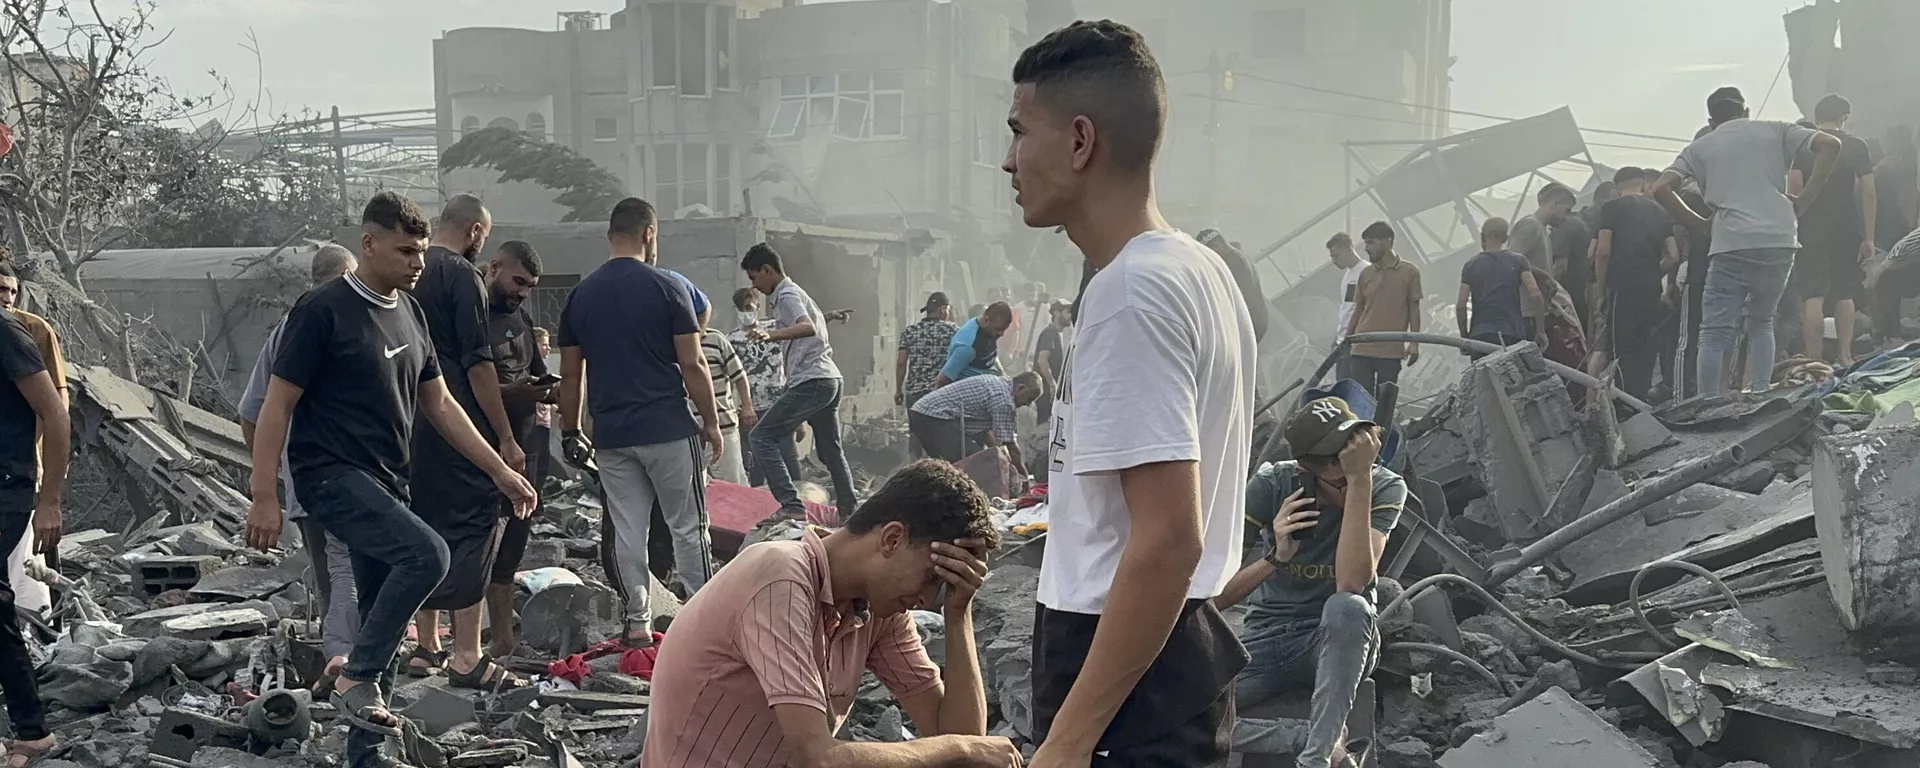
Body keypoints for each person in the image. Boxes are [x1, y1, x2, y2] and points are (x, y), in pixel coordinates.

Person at [1004, 20, 1256, 766]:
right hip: (1169, 662)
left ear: (1080, 142)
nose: (1008, 160)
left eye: (1021, 132)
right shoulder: (1198, 270)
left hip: (1122, 676)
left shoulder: (1132, 292)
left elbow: (1171, 537)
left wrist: (1070, 739)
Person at [243, 193, 536, 768]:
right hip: (329, 476)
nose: (417, 262)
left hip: (388, 479)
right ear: (368, 244)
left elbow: (443, 404)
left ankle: (366, 753)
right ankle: (355, 677)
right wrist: (264, 494)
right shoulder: (322, 310)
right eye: (405, 250)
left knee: (387, 615)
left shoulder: (411, 312)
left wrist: (501, 469)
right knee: (429, 555)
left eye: (422, 250)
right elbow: (274, 406)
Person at [641, 460, 1019, 768]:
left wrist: (959, 612)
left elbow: (959, 738)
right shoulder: (780, 577)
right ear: (891, 539)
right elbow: (817, 758)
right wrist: (960, 749)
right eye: (931, 578)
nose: (926, 600)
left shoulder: (878, 609)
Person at [558, 197, 723, 647]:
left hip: (612, 436)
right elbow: (693, 364)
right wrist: (710, 421)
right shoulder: (667, 288)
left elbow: (572, 373)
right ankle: (704, 622)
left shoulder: (580, 295)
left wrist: (570, 430)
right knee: (689, 526)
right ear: (649, 233)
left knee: (630, 530)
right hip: (668, 429)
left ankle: (637, 623)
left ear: (610, 235)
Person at [1216, 398, 1402, 767]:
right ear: (1306, 471)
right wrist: (1275, 557)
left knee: (1348, 607)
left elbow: (1351, 583)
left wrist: (1360, 481)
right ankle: (1306, 739)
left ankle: (1315, 760)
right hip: (1265, 639)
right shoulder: (1272, 485)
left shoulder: (1381, 486)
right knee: (1171, 709)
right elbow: (1213, 598)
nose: (1347, 487)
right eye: (1339, 479)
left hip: (1335, 641)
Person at [402, 194, 527, 687]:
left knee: (423, 521)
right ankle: (468, 653)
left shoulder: (408, 271)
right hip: (457, 422)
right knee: (476, 526)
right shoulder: (462, 276)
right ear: (476, 231)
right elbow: (478, 365)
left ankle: (427, 645)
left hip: (408, 422)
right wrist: (502, 438)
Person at [1652, 86, 1842, 396]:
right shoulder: (1776, 129)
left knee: (1713, 331)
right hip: (1779, 238)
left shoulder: (1699, 147)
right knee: (1762, 321)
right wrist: (1805, 200)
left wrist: (1699, 224)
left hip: (1731, 242)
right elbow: (1830, 144)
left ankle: (1708, 402)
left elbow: (1661, 187)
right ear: (1746, 112)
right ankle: (1759, 392)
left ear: (1712, 120)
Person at [238, 244, 360, 684]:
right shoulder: (339, 321)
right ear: (348, 275)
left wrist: (275, 477)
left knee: (335, 579)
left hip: (313, 482)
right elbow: (257, 412)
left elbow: (251, 415)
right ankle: (347, 667)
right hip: (344, 479)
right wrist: (269, 486)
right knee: (345, 572)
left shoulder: (292, 327)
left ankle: (347, 666)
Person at [742, 242, 860, 519]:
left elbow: (806, 327)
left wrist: (771, 336)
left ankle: (792, 506)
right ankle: (849, 509)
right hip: (829, 378)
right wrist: (828, 316)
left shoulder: (786, 294)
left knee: (761, 437)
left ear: (768, 270)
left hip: (813, 380)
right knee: (831, 451)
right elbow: (813, 323)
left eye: (754, 277)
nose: (755, 285)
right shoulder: (795, 293)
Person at [0, 272, 65, 766]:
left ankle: (32, 730)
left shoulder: (9, 334)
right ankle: (30, 730)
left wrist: (50, 501)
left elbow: (56, 415)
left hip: (6, 487)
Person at [480, 241, 551, 660]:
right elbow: (468, 388)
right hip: (487, 451)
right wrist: (513, 392)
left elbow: (539, 374)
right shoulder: (473, 317)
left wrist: (549, 390)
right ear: (495, 268)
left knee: (513, 545)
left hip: (528, 449)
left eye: (530, 286)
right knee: (480, 545)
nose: (522, 292)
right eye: (518, 281)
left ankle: (503, 638)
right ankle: (465, 643)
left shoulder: (520, 318)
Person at [1788, 95, 1877, 365]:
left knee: (1812, 294)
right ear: (1844, 117)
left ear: (1817, 117)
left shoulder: (1803, 145)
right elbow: (1869, 191)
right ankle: (1846, 356)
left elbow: (1793, 190)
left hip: (1809, 229)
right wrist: (1869, 236)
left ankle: (1814, 358)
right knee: (1845, 292)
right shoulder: (1857, 146)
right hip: (1846, 228)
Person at [1596, 167, 1681, 401]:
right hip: (1650, 288)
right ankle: (1640, 400)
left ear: (1616, 187)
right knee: (1644, 346)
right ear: (1643, 185)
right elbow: (1673, 255)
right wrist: (1653, 273)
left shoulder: (1611, 208)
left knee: (1620, 349)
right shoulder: (1660, 211)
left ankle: (1621, 404)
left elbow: (1603, 251)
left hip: (1621, 287)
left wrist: (1601, 289)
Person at [731, 288, 802, 488]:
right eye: (740, 309)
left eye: (749, 308)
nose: (745, 312)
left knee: (788, 455)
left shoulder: (774, 329)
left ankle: (801, 502)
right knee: (757, 463)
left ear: (758, 307)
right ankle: (758, 507)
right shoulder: (733, 340)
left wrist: (828, 317)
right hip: (752, 409)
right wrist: (743, 407)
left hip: (780, 404)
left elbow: (804, 327)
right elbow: (733, 377)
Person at [1345, 221, 1423, 402]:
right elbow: (1358, 309)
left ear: (1387, 242)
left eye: (1371, 242)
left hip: (1391, 350)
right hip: (1362, 348)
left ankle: (1382, 431)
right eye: (1365, 243)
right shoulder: (1365, 273)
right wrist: (1347, 339)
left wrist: (1414, 344)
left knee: (1385, 402)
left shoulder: (1410, 272)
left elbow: (1414, 310)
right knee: (1362, 401)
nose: (1366, 248)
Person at [908, 372, 1044, 465]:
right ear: (1020, 388)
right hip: (934, 416)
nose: (1027, 404)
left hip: (922, 412)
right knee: (974, 462)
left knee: (948, 464)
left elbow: (988, 434)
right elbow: (1010, 444)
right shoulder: (1004, 400)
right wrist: (1023, 475)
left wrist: (999, 457)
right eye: (1029, 399)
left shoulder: (999, 384)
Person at [1456, 217, 1542, 349]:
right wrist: (1541, 331)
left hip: (1480, 335)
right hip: (1513, 333)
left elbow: (1461, 306)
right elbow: (1536, 294)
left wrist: (1465, 337)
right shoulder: (1518, 260)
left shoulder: (1471, 265)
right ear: (1505, 238)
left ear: (1482, 236)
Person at [1511, 184, 1578, 329]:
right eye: (1567, 210)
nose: (1567, 217)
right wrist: (1544, 277)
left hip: (1537, 310)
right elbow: (1510, 262)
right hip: (1527, 312)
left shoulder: (1541, 228)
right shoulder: (1530, 226)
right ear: (1554, 205)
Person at [702, 319, 752, 485]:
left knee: (733, 483)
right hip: (689, 431)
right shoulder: (671, 342)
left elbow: (739, 375)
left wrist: (747, 406)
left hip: (722, 426)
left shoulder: (716, 339)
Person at [897, 291, 960, 409]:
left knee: (917, 427)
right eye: (948, 309)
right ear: (942, 309)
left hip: (915, 393)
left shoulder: (910, 331)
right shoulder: (953, 331)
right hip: (942, 392)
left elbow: (901, 363)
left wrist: (898, 390)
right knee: (939, 427)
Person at [935, 302, 1015, 388]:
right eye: (998, 329)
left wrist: (1002, 374)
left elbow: (991, 354)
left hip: (989, 381)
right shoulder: (967, 346)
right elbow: (943, 379)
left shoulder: (986, 327)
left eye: (1004, 329)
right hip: (971, 390)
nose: (1001, 333)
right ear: (986, 320)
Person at [1870, 224, 1920, 349]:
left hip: (1897, 264)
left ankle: (1889, 336)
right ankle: (1889, 337)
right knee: (1885, 284)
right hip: (1898, 264)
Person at [1327, 233, 1366, 380]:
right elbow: (1347, 309)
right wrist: (1338, 336)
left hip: (1356, 342)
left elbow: (1363, 309)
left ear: (1348, 249)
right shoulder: (1348, 275)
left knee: (1352, 384)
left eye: (1336, 256)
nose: (1333, 261)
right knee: (1342, 383)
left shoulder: (1366, 272)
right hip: (1344, 341)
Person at [1876, 125, 1919, 254]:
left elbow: (1911, 193)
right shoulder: (1877, 158)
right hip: (1882, 219)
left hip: (1898, 221)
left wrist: (1912, 224)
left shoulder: (1908, 165)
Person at [1031, 299, 1072, 421]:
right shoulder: (1050, 332)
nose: (1070, 316)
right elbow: (1042, 360)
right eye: (1067, 312)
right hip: (1046, 391)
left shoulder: (1058, 334)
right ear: (1056, 313)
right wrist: (1052, 384)